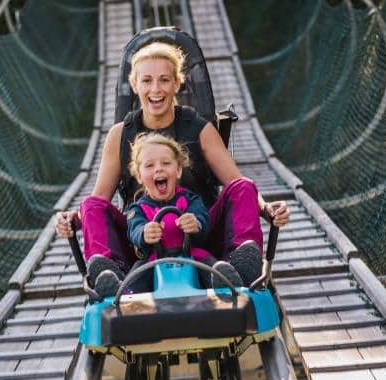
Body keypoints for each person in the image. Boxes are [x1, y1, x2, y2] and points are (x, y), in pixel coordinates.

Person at [55, 41, 289, 296]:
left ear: (177, 83)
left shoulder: (199, 128)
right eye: (147, 81)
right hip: (143, 238)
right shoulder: (119, 135)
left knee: (244, 186)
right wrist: (74, 219)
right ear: (135, 85)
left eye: (164, 80)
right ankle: (111, 277)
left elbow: (236, 182)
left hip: (199, 232)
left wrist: (266, 209)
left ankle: (238, 268)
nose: (155, 89)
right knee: (90, 204)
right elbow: (100, 200)